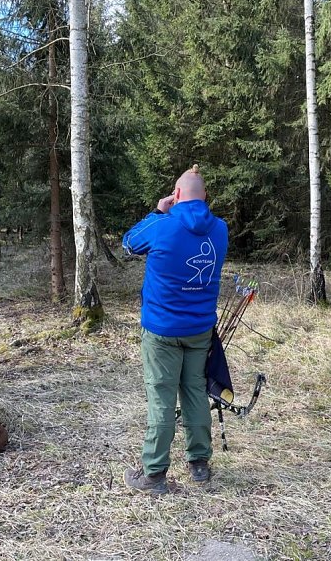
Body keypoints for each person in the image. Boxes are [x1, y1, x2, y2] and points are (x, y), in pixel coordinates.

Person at [121, 165, 228, 495]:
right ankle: (199, 464)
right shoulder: (221, 229)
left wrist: (157, 210)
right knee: (195, 392)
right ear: (206, 196)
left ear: (176, 195)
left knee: (162, 397)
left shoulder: (162, 226)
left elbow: (129, 243)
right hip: (199, 329)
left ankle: (154, 475)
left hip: (162, 329)